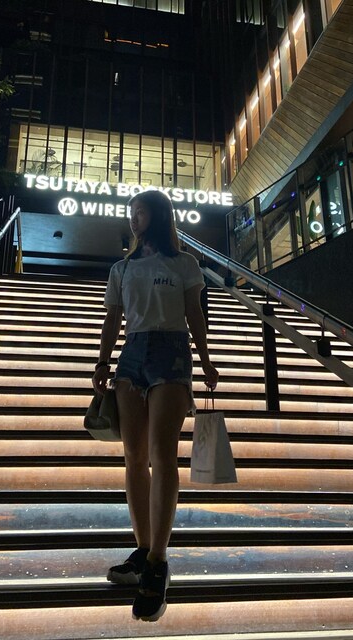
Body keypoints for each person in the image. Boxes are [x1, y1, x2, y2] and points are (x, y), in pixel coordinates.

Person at [92, 189, 219, 622]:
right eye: (131, 213)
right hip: (131, 356)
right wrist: (103, 362)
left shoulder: (185, 264)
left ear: (159, 216)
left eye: (140, 212)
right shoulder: (122, 268)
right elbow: (112, 318)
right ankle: (143, 550)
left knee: (163, 455)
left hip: (172, 353)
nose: (133, 219)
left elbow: (195, 315)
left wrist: (206, 361)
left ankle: (158, 562)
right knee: (134, 456)